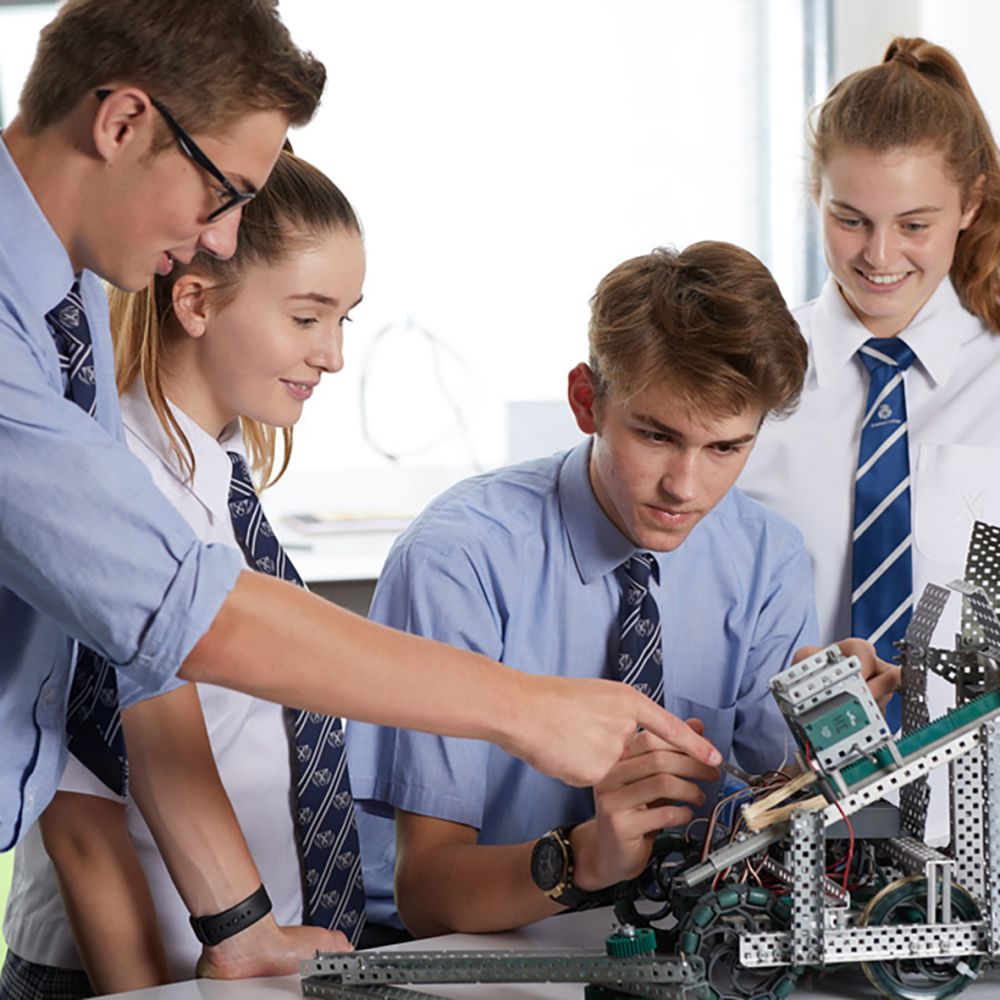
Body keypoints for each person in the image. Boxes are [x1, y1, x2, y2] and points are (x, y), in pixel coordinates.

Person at [0, 0, 718, 898]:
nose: (218, 240)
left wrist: (238, 929)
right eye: (221, 193)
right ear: (122, 122)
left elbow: (146, 661)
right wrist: (524, 709)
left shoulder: (64, 307)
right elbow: (185, 613)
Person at [346, 243, 900, 938]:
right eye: (657, 436)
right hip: (479, 956)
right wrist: (586, 858)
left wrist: (827, 728)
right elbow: (426, 892)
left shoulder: (767, 556)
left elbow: (768, 811)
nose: (686, 488)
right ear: (587, 401)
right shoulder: (457, 560)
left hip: (688, 947)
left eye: (726, 448)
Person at [2, 151, 375, 998]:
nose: (334, 356)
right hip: (127, 972)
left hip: (249, 961)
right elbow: (82, 820)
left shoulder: (220, 469)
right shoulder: (112, 490)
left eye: (346, 319)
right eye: (308, 318)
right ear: (197, 301)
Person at [740, 36, 1000, 840]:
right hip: (780, 809)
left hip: (975, 819)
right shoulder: (751, 380)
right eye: (849, 220)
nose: (879, 257)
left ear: (971, 204)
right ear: (814, 198)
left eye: (914, 224)